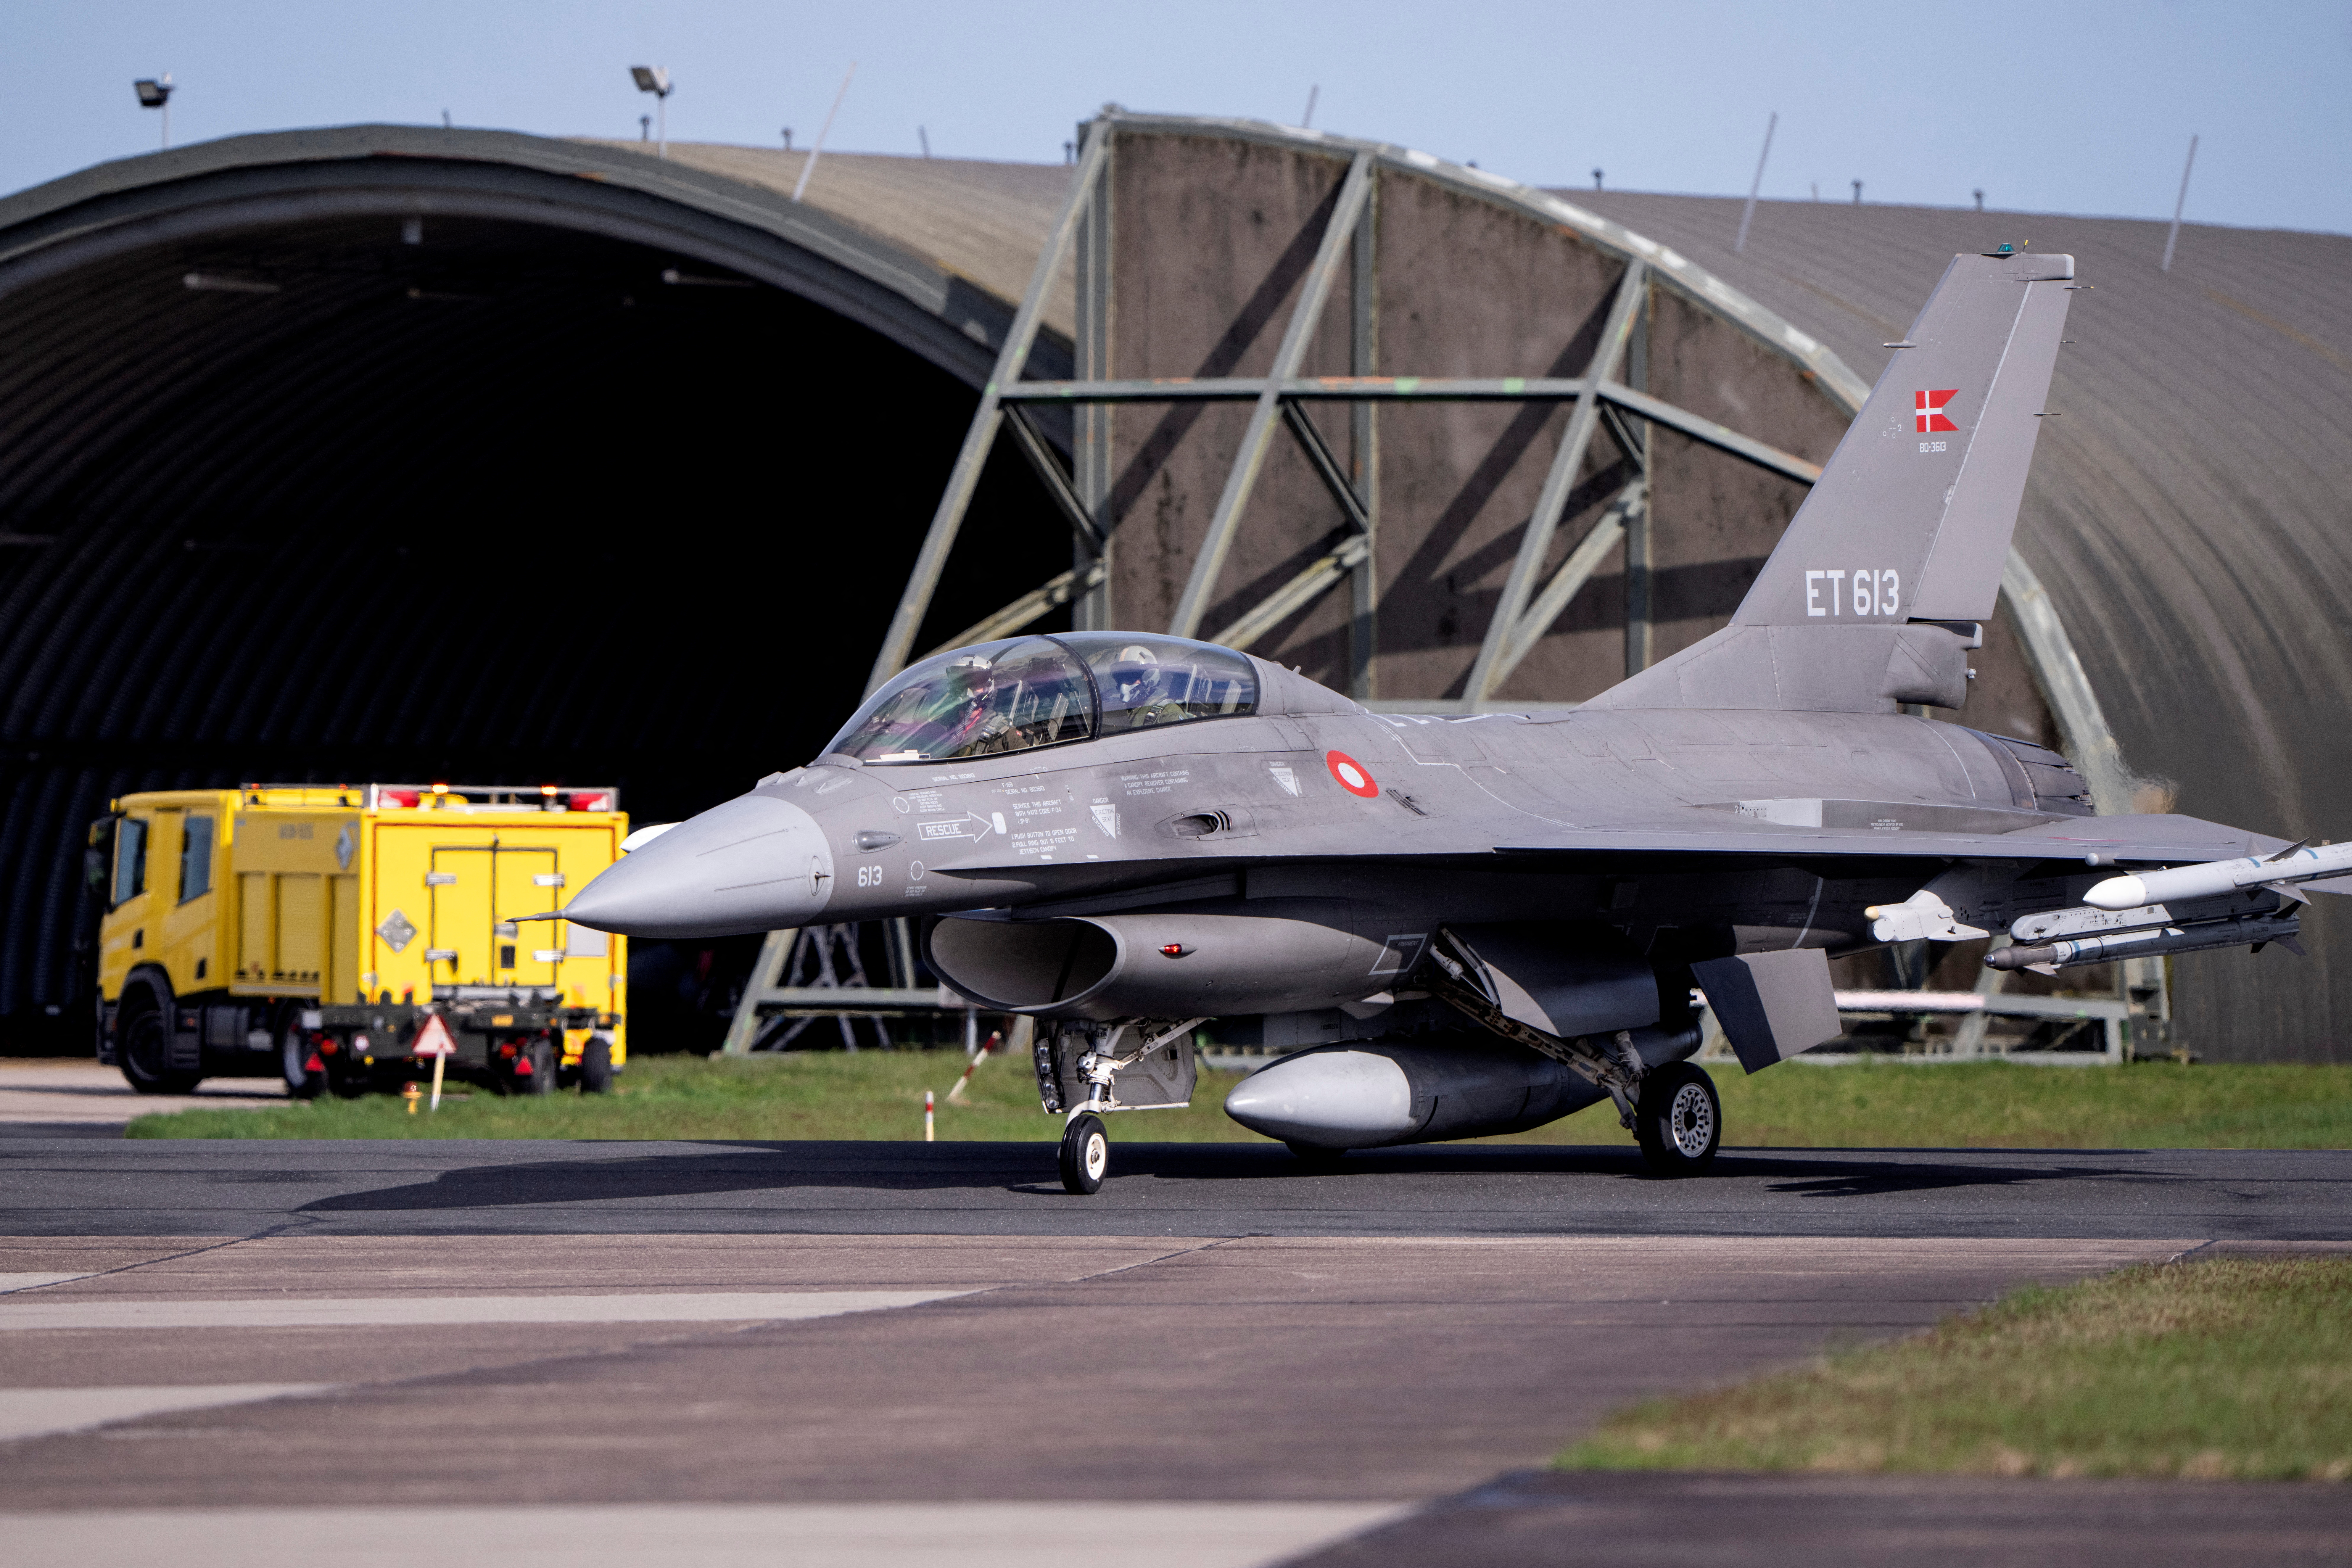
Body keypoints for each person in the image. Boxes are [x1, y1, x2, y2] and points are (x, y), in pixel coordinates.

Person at [1107, 646, 1189, 728]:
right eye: (1120, 678)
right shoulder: (1117, 708)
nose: (1124, 685)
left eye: (1131, 677)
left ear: (1148, 677)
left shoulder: (1169, 715)